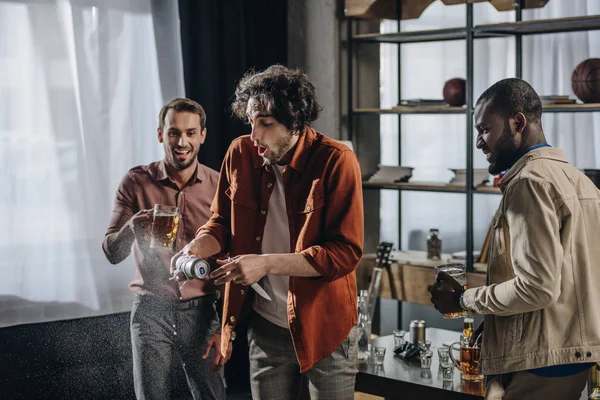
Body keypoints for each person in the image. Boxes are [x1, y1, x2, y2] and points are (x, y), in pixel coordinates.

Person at [172, 65, 364, 400]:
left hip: (325, 329)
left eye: (266, 123)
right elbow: (221, 223)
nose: (255, 134)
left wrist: (266, 264)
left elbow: (343, 254)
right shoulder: (240, 153)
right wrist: (197, 246)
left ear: (294, 122)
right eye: (251, 122)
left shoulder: (336, 161)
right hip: (266, 331)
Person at [430, 78, 600, 400]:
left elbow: (538, 287)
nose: (479, 142)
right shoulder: (580, 181)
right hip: (572, 359)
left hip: (537, 363)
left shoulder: (529, 183)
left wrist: (465, 300)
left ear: (517, 122)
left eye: (484, 129)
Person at [102, 98, 227, 400]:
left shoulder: (218, 186)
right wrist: (133, 226)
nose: (181, 141)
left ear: (202, 135)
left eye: (190, 132)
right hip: (151, 311)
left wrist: (225, 326)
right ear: (160, 134)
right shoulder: (135, 182)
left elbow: (231, 260)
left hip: (202, 311)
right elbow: (111, 253)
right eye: (173, 132)